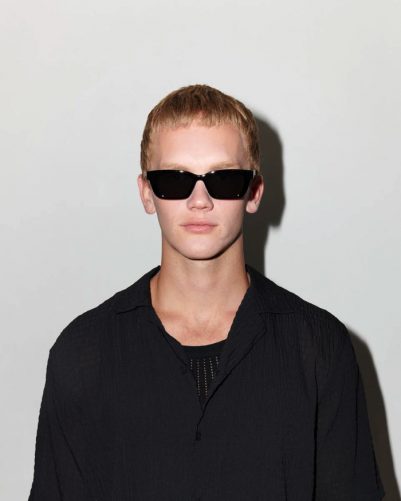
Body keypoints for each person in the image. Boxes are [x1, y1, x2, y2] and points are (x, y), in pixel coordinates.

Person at [28, 84, 385, 500]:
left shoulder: (319, 347)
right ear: (146, 193)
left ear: (254, 192)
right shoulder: (83, 353)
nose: (200, 200)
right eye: (174, 180)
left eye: (225, 179)